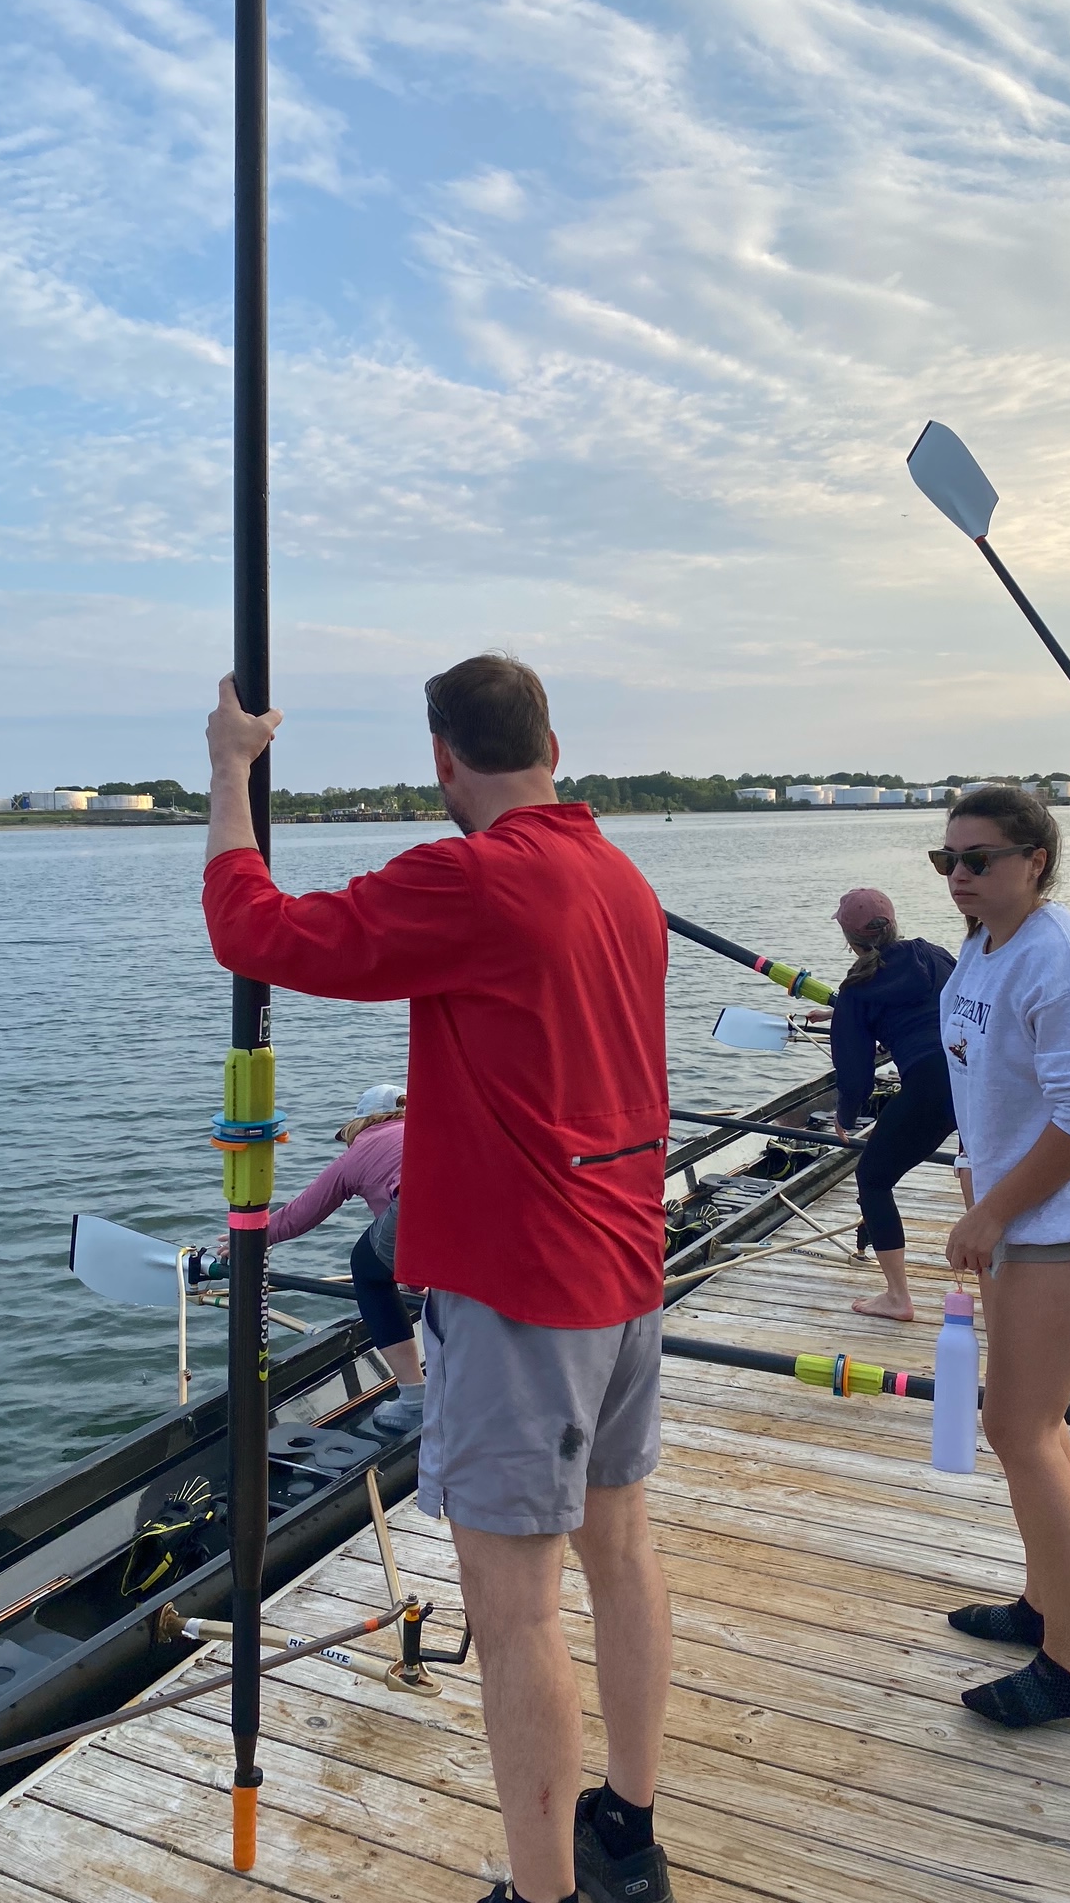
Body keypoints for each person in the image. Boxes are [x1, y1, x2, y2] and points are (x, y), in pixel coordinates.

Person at [203, 654, 674, 1903]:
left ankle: (543, 1892)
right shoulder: (620, 879)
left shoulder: (473, 877)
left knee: (511, 1610)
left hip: (522, 1291)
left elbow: (251, 928)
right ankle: (625, 1828)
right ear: (555, 743)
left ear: (441, 761)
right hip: (626, 1269)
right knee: (620, 1554)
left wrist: (230, 770)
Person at [935, 787, 1070, 1729]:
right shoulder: (981, 954)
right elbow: (977, 1081)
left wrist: (996, 1215)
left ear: (1037, 859)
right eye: (946, 862)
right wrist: (973, 1185)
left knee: (1017, 1429)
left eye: (979, 860)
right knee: (1032, 1425)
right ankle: (1042, 1604)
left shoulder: (1065, 963)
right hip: (1024, 1220)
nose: (961, 878)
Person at [219, 1085, 426, 1435]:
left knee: (367, 1270)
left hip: (418, 1202)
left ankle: (415, 1400)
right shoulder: (427, 1127)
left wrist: (253, 1239)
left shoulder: (361, 1149)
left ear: (359, 1124)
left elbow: (304, 1212)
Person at [822, 887, 956, 1321]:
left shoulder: (857, 990)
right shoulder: (933, 954)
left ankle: (898, 1298)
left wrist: (846, 1114)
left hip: (931, 1088)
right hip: (979, 1077)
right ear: (894, 923)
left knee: (873, 1178)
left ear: (849, 940)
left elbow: (855, 1071)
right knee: (981, 1170)